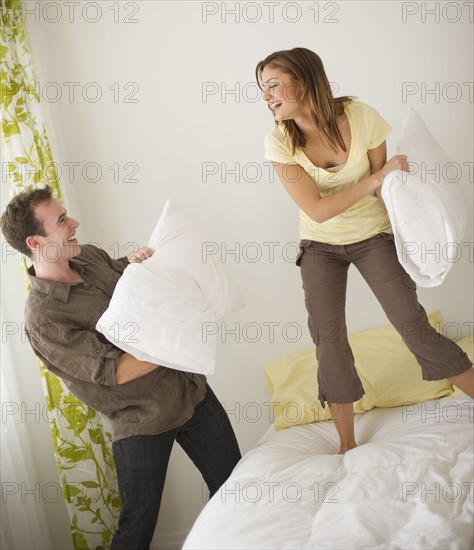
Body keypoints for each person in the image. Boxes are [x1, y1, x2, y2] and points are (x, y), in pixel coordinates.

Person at [255, 47, 474, 454]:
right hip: (320, 246)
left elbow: (388, 185)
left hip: (373, 236)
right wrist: (374, 181)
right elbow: (319, 210)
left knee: (412, 324)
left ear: (302, 81)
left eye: (272, 85)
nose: (265, 96)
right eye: (262, 89)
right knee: (329, 339)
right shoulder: (278, 142)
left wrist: (385, 186)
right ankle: (345, 446)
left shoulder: (361, 117)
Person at [0, 186, 241, 549]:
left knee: (235, 489)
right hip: (142, 419)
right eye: (62, 220)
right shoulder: (45, 319)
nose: (75, 223)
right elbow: (117, 371)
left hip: (189, 392)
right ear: (35, 242)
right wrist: (180, 336)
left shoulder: (91, 258)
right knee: (136, 529)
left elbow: (128, 284)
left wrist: (136, 261)